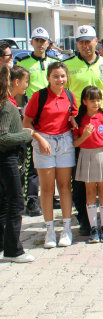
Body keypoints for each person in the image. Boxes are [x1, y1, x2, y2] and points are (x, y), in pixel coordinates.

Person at [64, 25, 103, 233]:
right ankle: (85, 220)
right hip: (79, 121)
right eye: (81, 41)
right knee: (80, 176)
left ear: (96, 41)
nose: (85, 45)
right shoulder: (67, 65)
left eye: (89, 40)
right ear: (76, 43)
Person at [23, 62, 78, 248]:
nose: (59, 80)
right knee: (46, 190)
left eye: (62, 76)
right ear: (48, 78)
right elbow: (27, 123)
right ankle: (50, 231)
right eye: (55, 76)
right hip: (43, 143)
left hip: (65, 143)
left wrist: (73, 120)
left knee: (64, 187)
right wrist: (40, 139)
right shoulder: (39, 96)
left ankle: (67, 229)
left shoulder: (69, 95)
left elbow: (73, 114)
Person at [16, 27, 59, 217]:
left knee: (55, 156)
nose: (40, 43)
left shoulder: (56, 63)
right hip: (33, 115)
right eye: (37, 40)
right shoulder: (24, 63)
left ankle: (52, 196)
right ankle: (32, 200)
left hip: (54, 114)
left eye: (44, 40)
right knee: (33, 159)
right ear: (31, 42)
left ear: (49, 43)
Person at [72, 86, 103, 243]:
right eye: (92, 100)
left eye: (98, 100)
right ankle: (93, 227)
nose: (96, 103)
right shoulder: (79, 120)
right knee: (90, 193)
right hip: (86, 156)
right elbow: (76, 143)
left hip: (102, 156)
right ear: (84, 101)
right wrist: (85, 135)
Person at [0, 65, 35, 262]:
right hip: (7, 158)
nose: (27, 84)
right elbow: (3, 136)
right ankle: (14, 250)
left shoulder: (8, 103)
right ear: (15, 82)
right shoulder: (7, 105)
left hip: (6, 157)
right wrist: (25, 134)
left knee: (5, 201)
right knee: (16, 201)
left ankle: (4, 243)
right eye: (25, 81)